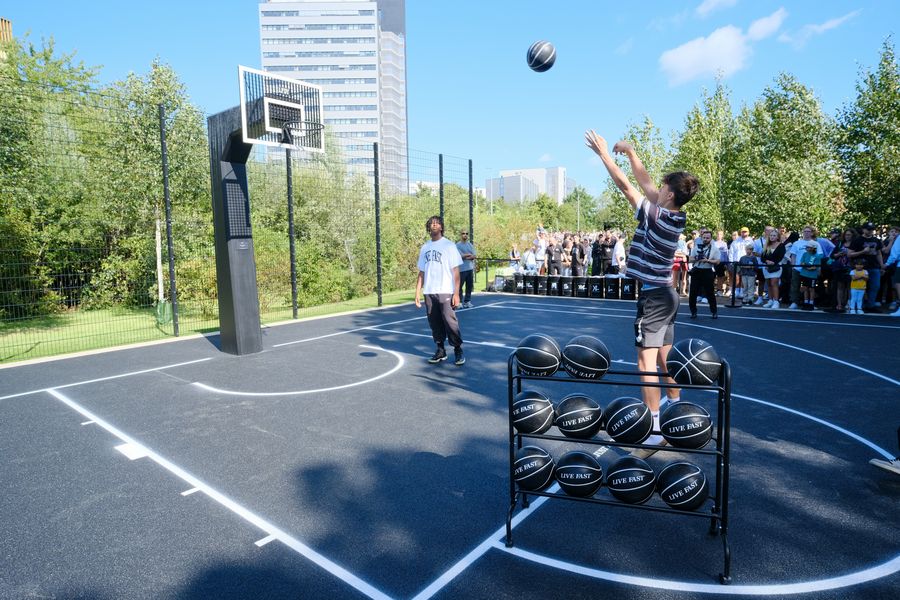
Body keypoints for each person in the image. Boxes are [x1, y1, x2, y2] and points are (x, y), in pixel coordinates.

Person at [585, 130, 699, 452]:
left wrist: (605, 154)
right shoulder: (674, 215)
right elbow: (646, 184)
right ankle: (677, 409)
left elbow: (627, 187)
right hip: (667, 295)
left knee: (645, 364)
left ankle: (653, 431)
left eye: (663, 187)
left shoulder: (657, 216)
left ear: (670, 194)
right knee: (666, 361)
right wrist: (632, 152)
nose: (657, 188)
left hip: (653, 297)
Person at [414, 215, 465, 365]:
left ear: (441, 227)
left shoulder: (449, 245)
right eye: (432, 223)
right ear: (428, 227)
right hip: (429, 291)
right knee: (434, 322)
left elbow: (456, 271)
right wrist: (417, 292)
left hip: (445, 290)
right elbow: (422, 272)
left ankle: (457, 349)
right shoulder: (425, 247)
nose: (434, 225)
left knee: (450, 321)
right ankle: (440, 350)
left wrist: (456, 293)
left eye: (437, 223)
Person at [849, 222, 884, 311]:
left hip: (874, 266)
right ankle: (861, 305)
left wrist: (882, 265)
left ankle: (870, 305)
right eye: (868, 229)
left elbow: (879, 253)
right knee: (861, 286)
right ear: (863, 229)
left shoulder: (876, 240)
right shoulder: (857, 240)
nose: (870, 231)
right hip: (861, 268)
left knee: (875, 286)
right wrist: (862, 252)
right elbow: (849, 254)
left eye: (872, 229)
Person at [688, 228, 719, 318]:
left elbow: (717, 261)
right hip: (697, 270)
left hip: (707, 271)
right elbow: (690, 259)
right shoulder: (696, 247)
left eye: (707, 238)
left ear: (711, 239)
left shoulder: (714, 249)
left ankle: (714, 312)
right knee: (693, 293)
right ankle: (693, 312)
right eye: (704, 237)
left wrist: (708, 260)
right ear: (701, 237)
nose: (705, 239)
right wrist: (697, 258)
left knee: (710, 293)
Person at [830, 229, 856, 312]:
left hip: (851, 267)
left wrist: (850, 254)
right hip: (840, 267)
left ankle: (849, 303)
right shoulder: (840, 244)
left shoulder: (855, 244)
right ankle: (839, 304)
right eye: (846, 235)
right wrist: (839, 254)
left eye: (849, 235)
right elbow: (832, 255)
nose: (847, 236)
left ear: (853, 235)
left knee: (849, 286)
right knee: (840, 286)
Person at [760, 228, 786, 309]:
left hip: (776, 267)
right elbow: (762, 257)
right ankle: (770, 300)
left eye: (774, 235)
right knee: (769, 284)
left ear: (777, 237)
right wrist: (766, 261)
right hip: (767, 268)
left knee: (774, 283)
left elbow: (781, 256)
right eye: (771, 235)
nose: (772, 237)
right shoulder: (766, 245)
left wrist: (773, 262)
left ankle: (776, 301)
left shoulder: (781, 245)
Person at [798, 241, 823, 310]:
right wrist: (807, 267)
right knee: (805, 288)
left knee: (811, 289)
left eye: (808, 247)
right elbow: (802, 263)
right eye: (806, 247)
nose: (806, 248)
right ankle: (806, 302)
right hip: (804, 274)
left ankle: (811, 303)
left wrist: (809, 267)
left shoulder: (817, 256)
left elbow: (816, 266)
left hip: (812, 275)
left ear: (813, 248)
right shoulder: (805, 254)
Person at [455, 230, 476, 309]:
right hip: (461, 269)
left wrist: (466, 256)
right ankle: (459, 302)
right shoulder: (457, 245)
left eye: (467, 234)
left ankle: (467, 301)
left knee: (469, 286)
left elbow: (474, 256)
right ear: (461, 235)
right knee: (459, 287)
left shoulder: (470, 245)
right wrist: (468, 255)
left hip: (470, 269)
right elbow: (459, 256)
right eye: (463, 233)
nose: (465, 235)